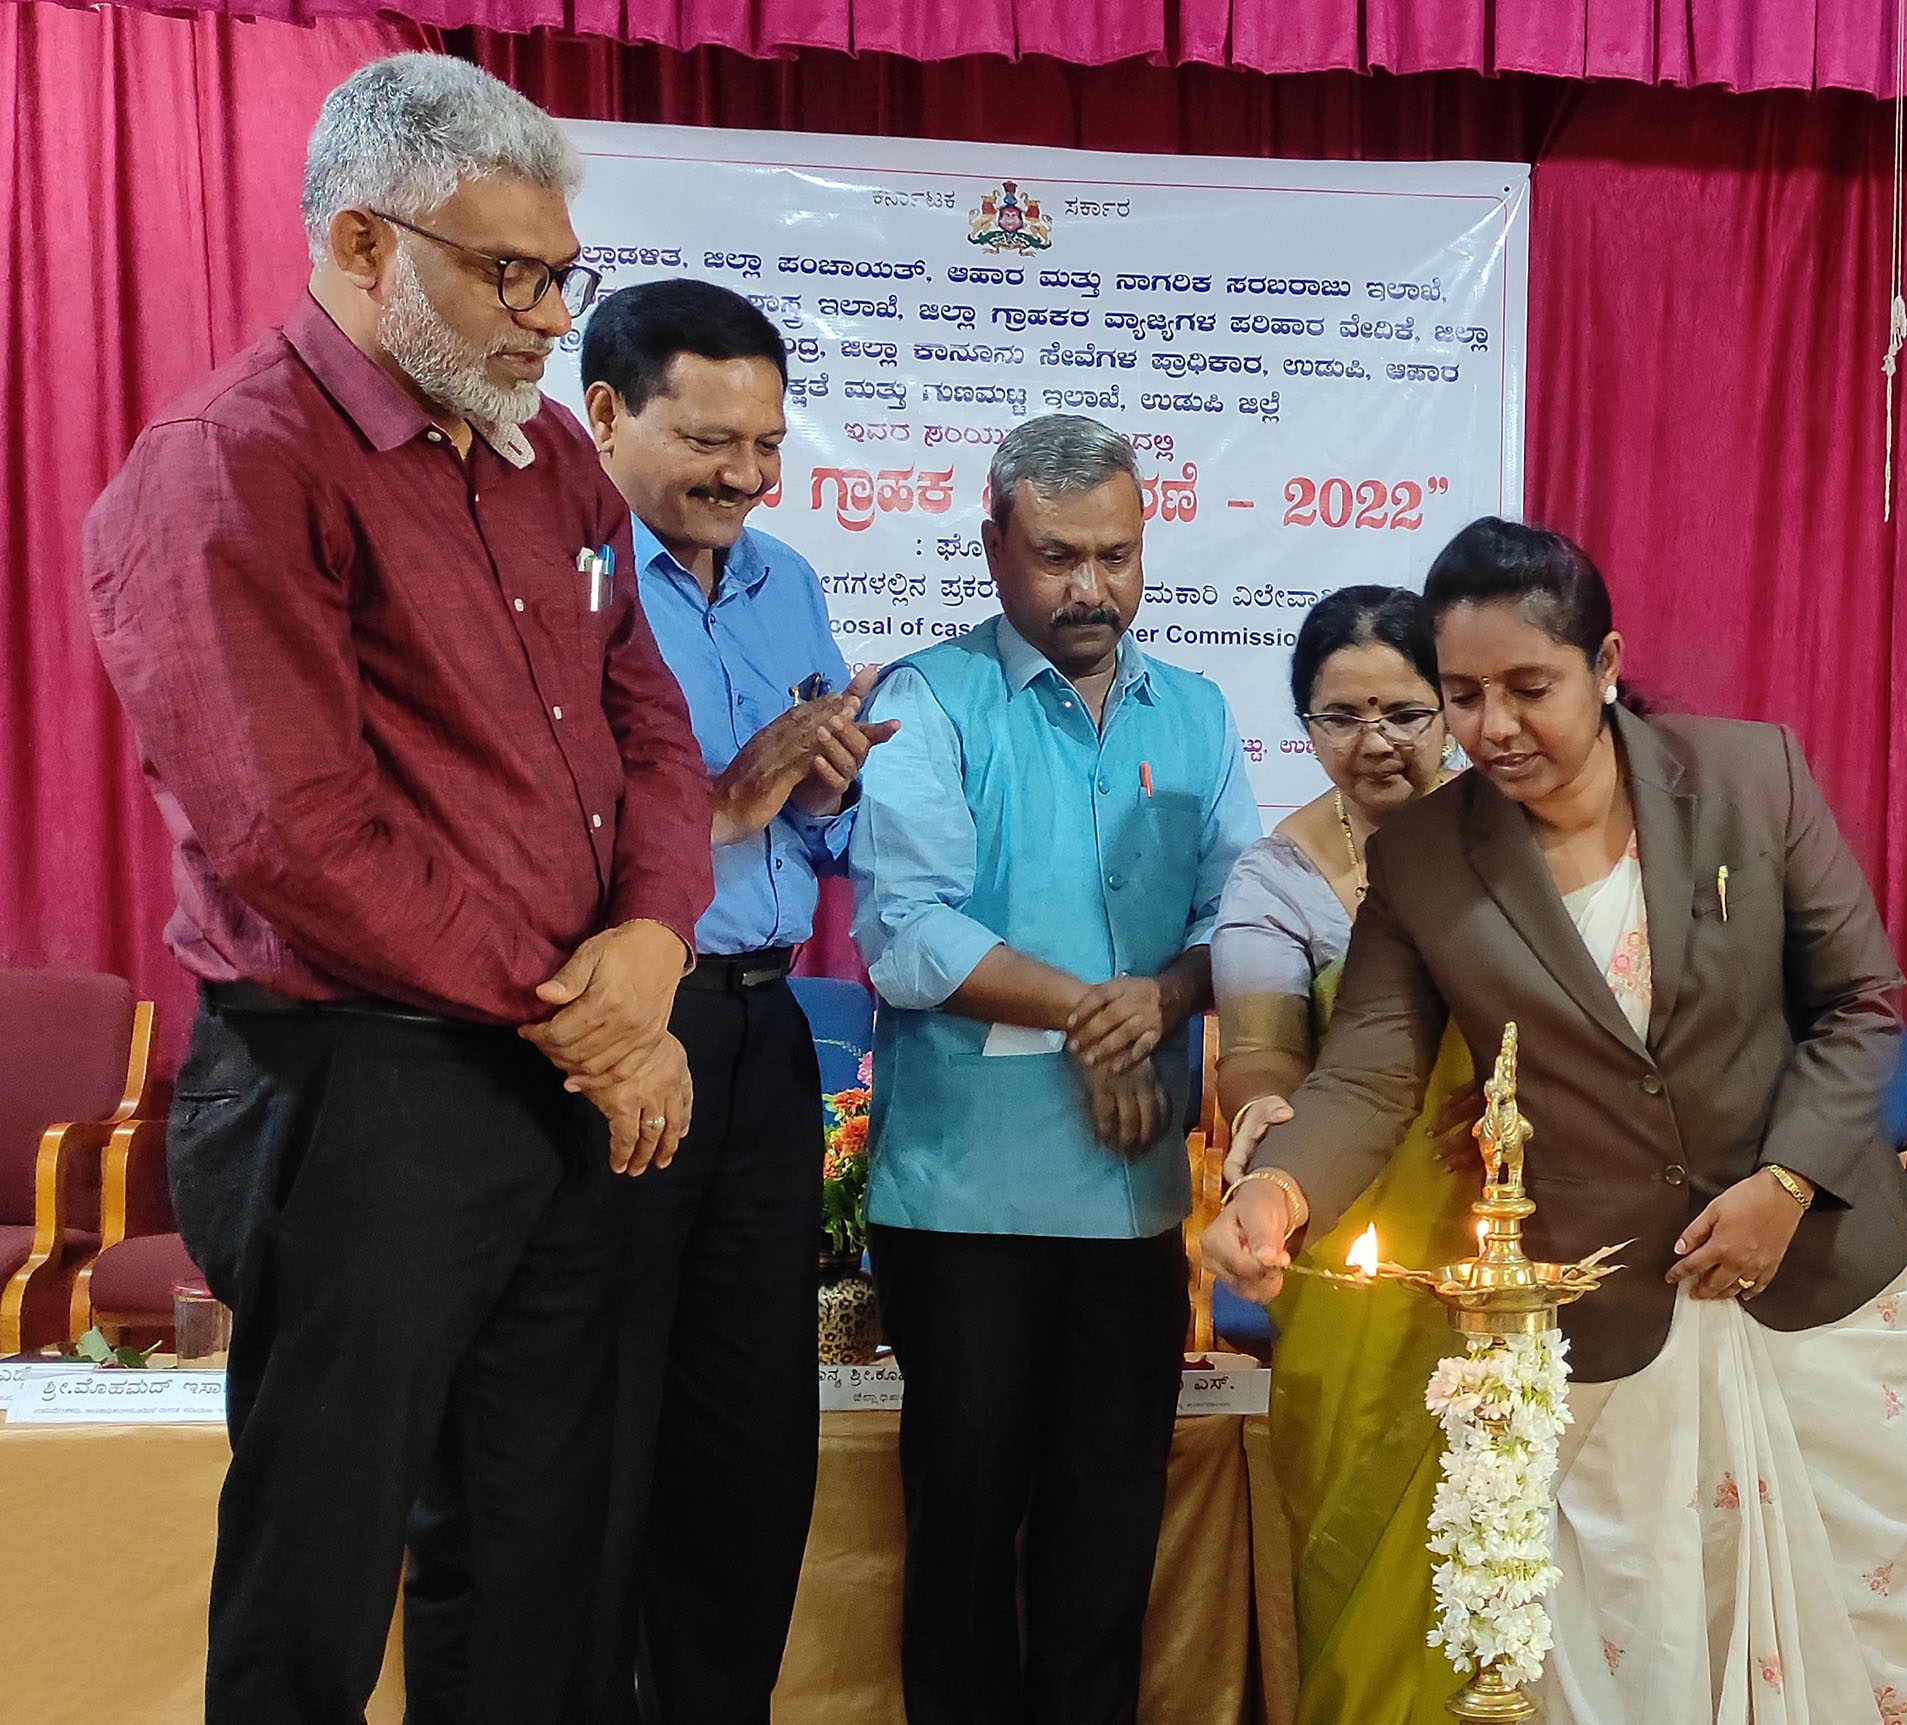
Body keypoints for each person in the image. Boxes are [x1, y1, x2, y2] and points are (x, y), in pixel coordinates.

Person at [81, 53, 711, 1723]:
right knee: (324, 1557)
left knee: (529, 1548)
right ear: (363, 246)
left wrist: (653, 938)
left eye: (561, 275)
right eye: (510, 273)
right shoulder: (233, 462)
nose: (549, 318)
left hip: (554, 1075)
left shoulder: (550, 457)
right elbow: (292, 832)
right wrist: (590, 1019)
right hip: (357, 1083)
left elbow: (646, 715)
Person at [1202, 518, 1907, 1725]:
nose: (1493, 725)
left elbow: (1860, 1004)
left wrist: (1785, 1185)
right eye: (1463, 695)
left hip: (1809, 1275)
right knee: (1631, 1647)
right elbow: (1370, 1073)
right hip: (1599, 1307)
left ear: (1604, 664)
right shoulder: (1428, 857)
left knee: (1855, 1643)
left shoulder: (1748, 779)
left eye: (1528, 686)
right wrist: (1276, 1191)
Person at [848, 413, 1259, 1724]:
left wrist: (1168, 994)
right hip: (965, 1202)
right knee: (967, 1542)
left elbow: (1240, 918)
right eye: (1058, 556)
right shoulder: (927, 701)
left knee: (1105, 1544)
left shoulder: (1195, 713)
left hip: (1131, 1203)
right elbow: (907, 933)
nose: (1093, 588)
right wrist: (1101, 1011)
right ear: (993, 547)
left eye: (1117, 556)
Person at [576, 278, 897, 1721]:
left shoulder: (790, 584)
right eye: (710, 441)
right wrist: (719, 798)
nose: (747, 476)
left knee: (749, 1431)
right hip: (621, 1032)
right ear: (604, 413)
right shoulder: (568, 584)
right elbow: (541, 828)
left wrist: (827, 790)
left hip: (765, 1027)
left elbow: (807, 839)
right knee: (599, 1419)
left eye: (766, 443)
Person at [1209, 587, 1480, 1724]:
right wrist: (1264, 1121)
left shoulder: (1517, 838)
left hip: (1516, 1233)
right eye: (1340, 717)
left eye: (1404, 713)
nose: (1375, 742)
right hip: (1352, 1232)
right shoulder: (1277, 877)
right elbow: (1261, 1052)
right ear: (1304, 726)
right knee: (1359, 1531)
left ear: (1450, 709)